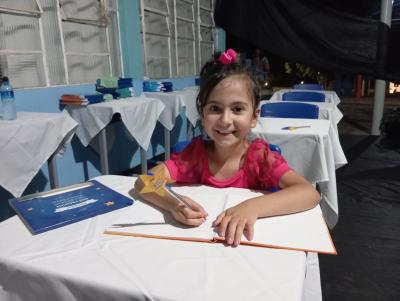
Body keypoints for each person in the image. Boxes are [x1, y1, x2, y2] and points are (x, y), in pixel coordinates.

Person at [135, 49, 320, 247]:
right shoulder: (193, 157)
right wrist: (174, 203)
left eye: (237, 109)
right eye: (215, 109)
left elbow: (309, 193)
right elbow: (145, 181)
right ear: (202, 114)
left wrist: (252, 207)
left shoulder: (260, 158)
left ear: (254, 117)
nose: (225, 120)